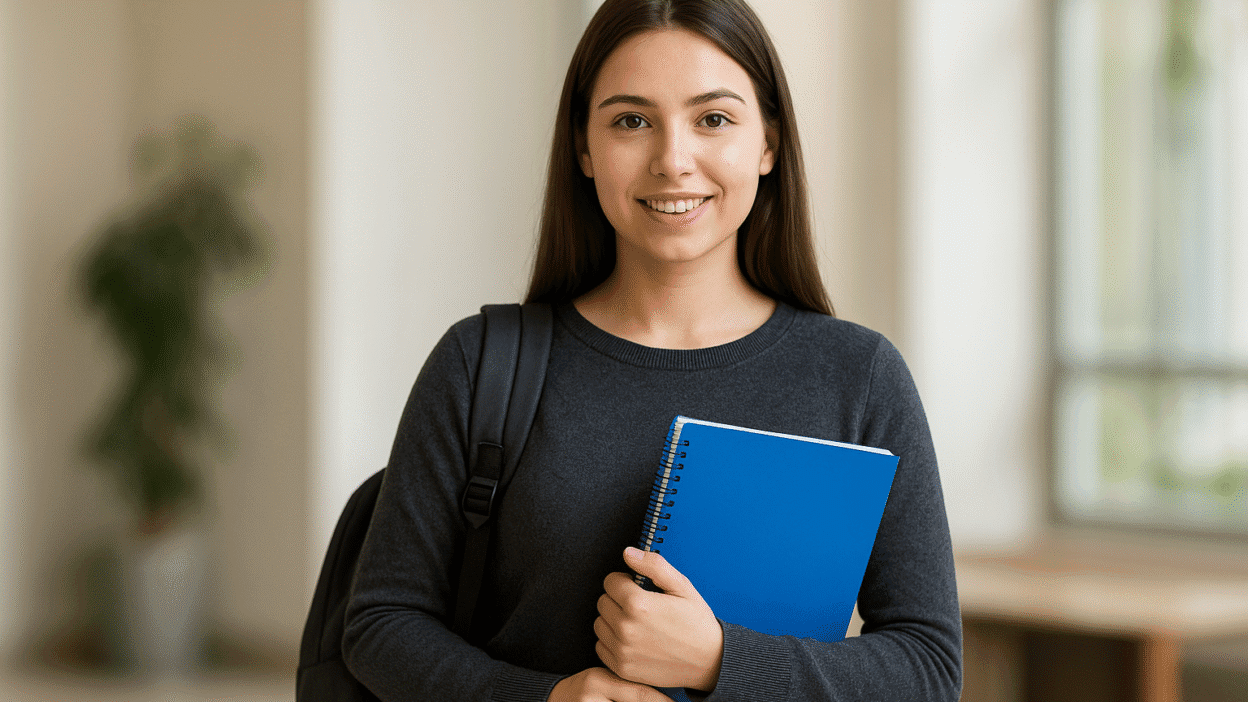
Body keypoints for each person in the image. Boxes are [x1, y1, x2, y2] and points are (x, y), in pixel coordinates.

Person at [342, 0, 962, 700]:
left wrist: (720, 660)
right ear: (583, 148)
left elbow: (929, 669)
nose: (672, 160)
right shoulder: (479, 363)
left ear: (768, 144)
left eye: (713, 119)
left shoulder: (859, 377)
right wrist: (546, 699)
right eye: (631, 121)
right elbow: (380, 625)